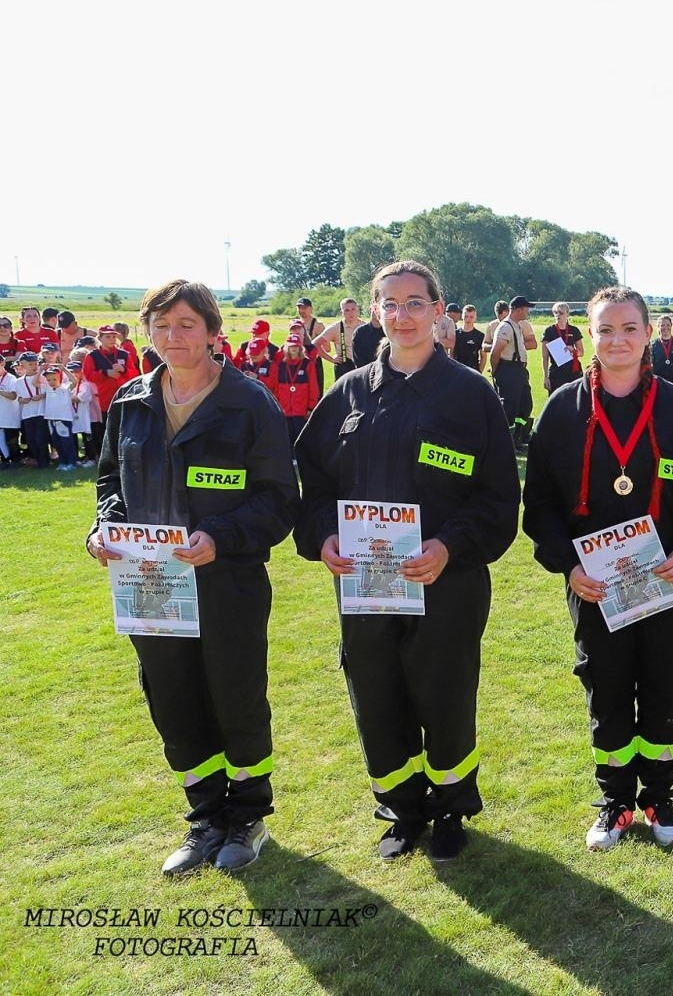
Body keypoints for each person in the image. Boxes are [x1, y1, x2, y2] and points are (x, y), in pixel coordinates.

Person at [294, 260, 519, 862]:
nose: (403, 314)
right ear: (374, 312)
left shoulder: (471, 395)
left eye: (416, 302)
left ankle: (449, 810)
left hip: (446, 581)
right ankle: (401, 808)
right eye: (389, 303)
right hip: (364, 586)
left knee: (443, 693)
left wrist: (449, 545)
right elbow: (310, 485)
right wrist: (322, 539)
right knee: (376, 692)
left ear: (438, 309)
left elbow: (499, 498)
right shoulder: (346, 393)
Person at [87, 279, 298, 874]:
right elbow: (110, 485)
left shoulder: (250, 403)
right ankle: (205, 816)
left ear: (212, 332)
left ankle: (247, 817)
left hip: (225, 584)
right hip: (150, 588)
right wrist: (104, 530)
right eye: (160, 325)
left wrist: (221, 538)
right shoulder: (130, 402)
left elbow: (280, 500)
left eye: (185, 325)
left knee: (235, 697)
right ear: (145, 332)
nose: (172, 337)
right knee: (173, 699)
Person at [522, 286, 673, 850]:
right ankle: (614, 800)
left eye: (629, 328)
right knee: (606, 687)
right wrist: (567, 566)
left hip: (668, 581)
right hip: (594, 587)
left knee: (663, 685)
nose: (618, 340)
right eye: (606, 329)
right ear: (590, 334)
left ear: (648, 334)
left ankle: (659, 794)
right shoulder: (562, 412)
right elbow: (537, 504)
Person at [490, 296, 535, 451]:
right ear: (519, 309)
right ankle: (504, 442)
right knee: (509, 408)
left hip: (519, 370)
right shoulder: (505, 327)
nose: (528, 311)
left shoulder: (516, 326)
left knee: (525, 405)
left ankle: (517, 437)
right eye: (526, 308)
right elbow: (495, 352)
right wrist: (496, 371)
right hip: (509, 370)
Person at [270, 334, 320, 445]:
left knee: (301, 438)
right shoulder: (280, 365)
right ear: (286, 347)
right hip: (284, 409)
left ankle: (301, 460)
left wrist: (310, 407)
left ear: (300, 347)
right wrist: (277, 406)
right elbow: (276, 388)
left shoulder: (308, 364)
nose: (294, 348)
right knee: (286, 438)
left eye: (296, 346)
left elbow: (313, 388)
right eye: (291, 346)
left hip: (301, 410)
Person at [542, 301, 586, 394]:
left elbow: (581, 352)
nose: (558, 315)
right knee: (556, 403)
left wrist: (573, 350)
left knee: (574, 401)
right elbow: (545, 357)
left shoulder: (574, 330)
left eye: (561, 313)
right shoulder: (549, 331)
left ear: (567, 314)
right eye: (555, 313)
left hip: (573, 371)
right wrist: (545, 377)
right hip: (556, 372)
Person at [650, 315, 673, 380]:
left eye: (668, 325)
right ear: (658, 327)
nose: (665, 327)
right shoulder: (652, 345)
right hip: (659, 384)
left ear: (671, 326)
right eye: (662, 325)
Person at [453, 304, 485, 370]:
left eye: (471, 317)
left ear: (475, 318)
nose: (468, 319)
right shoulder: (455, 334)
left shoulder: (480, 336)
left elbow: (483, 357)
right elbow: (451, 354)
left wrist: (479, 373)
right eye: (466, 316)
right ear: (462, 316)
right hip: (457, 371)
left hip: (473, 371)